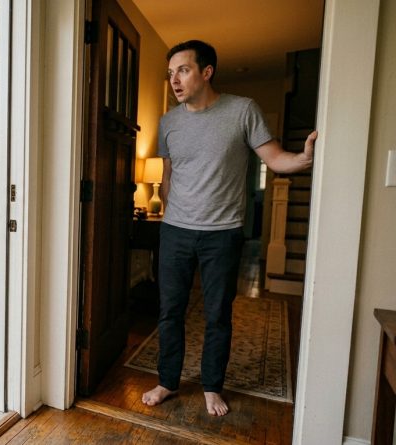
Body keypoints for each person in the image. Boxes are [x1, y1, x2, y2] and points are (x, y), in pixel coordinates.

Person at [141, 40, 316, 417]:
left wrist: (303, 159)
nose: (174, 80)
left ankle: (211, 386)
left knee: (217, 315)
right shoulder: (169, 121)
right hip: (175, 232)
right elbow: (169, 175)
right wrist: (172, 213)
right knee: (170, 311)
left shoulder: (242, 111)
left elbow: (275, 158)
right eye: (170, 73)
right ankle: (167, 381)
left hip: (222, 234)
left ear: (207, 72)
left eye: (183, 70)